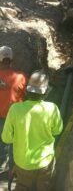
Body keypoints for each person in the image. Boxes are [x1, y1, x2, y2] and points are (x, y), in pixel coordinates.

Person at [1, 70, 63, 191]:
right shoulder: (52, 108)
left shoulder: (15, 109)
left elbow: (6, 138)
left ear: (28, 89)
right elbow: (57, 131)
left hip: (23, 164)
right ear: (45, 91)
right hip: (45, 162)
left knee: (22, 187)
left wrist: (20, 137)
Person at [0, 46, 27, 175]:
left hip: (1, 118)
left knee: (2, 145)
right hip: (17, 117)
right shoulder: (21, 77)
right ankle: (12, 172)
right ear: (11, 59)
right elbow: (27, 96)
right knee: (15, 146)